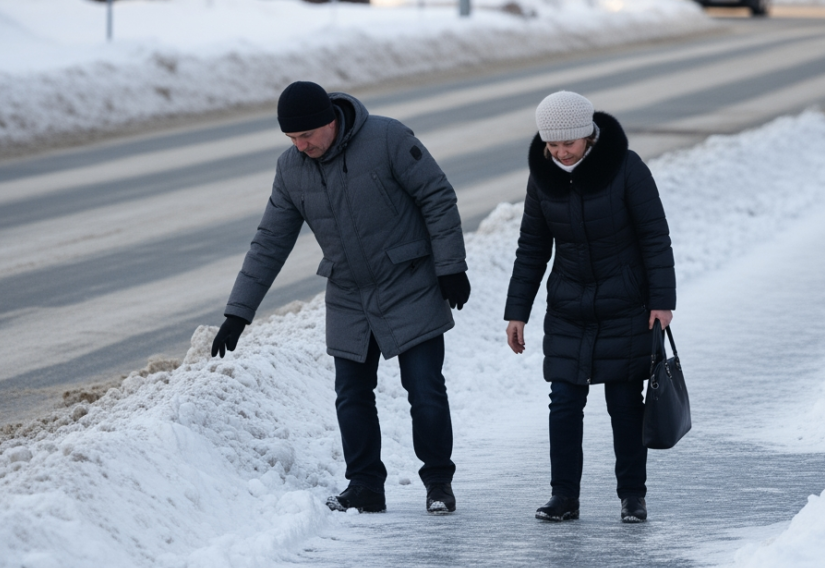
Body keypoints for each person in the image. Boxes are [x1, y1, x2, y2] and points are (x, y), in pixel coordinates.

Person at [211, 81, 470, 515]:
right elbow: (270, 241)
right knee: (351, 393)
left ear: (331, 120)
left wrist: (450, 266)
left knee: (424, 389)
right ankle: (365, 485)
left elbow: (437, 197)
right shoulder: (291, 169)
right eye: (292, 139)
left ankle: (438, 482)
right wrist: (238, 313)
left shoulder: (388, 139)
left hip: (408, 279)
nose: (301, 145)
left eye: (307, 135)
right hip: (349, 291)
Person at [503, 91, 676, 524]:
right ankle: (564, 497)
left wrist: (662, 302)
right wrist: (516, 311)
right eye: (552, 145)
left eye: (569, 144)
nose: (560, 153)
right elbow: (532, 247)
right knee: (563, 402)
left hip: (625, 305)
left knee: (624, 404)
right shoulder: (542, 176)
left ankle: (632, 496)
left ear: (589, 137)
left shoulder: (626, 168)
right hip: (569, 307)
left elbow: (655, 236)